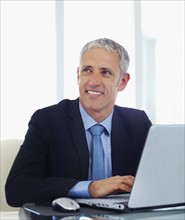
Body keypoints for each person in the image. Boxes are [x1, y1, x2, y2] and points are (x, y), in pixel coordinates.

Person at [5, 38, 152, 207]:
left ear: (123, 81)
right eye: (87, 70)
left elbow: (162, 181)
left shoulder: (138, 123)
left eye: (105, 72)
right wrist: (89, 188)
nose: (93, 81)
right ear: (78, 75)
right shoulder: (48, 121)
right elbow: (16, 189)